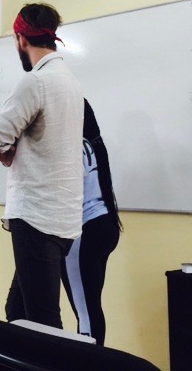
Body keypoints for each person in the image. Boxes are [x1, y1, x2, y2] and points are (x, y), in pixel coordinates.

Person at [0, 3, 84, 329]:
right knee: (18, 309)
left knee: (42, 321)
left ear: (21, 39)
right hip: (62, 217)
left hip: (36, 217)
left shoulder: (35, 83)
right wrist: (13, 151)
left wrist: (3, 153)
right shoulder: (69, 82)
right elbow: (46, 143)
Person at [61, 99, 122, 345]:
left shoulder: (68, 147)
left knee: (84, 313)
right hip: (105, 224)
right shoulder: (93, 144)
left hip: (82, 233)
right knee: (92, 305)